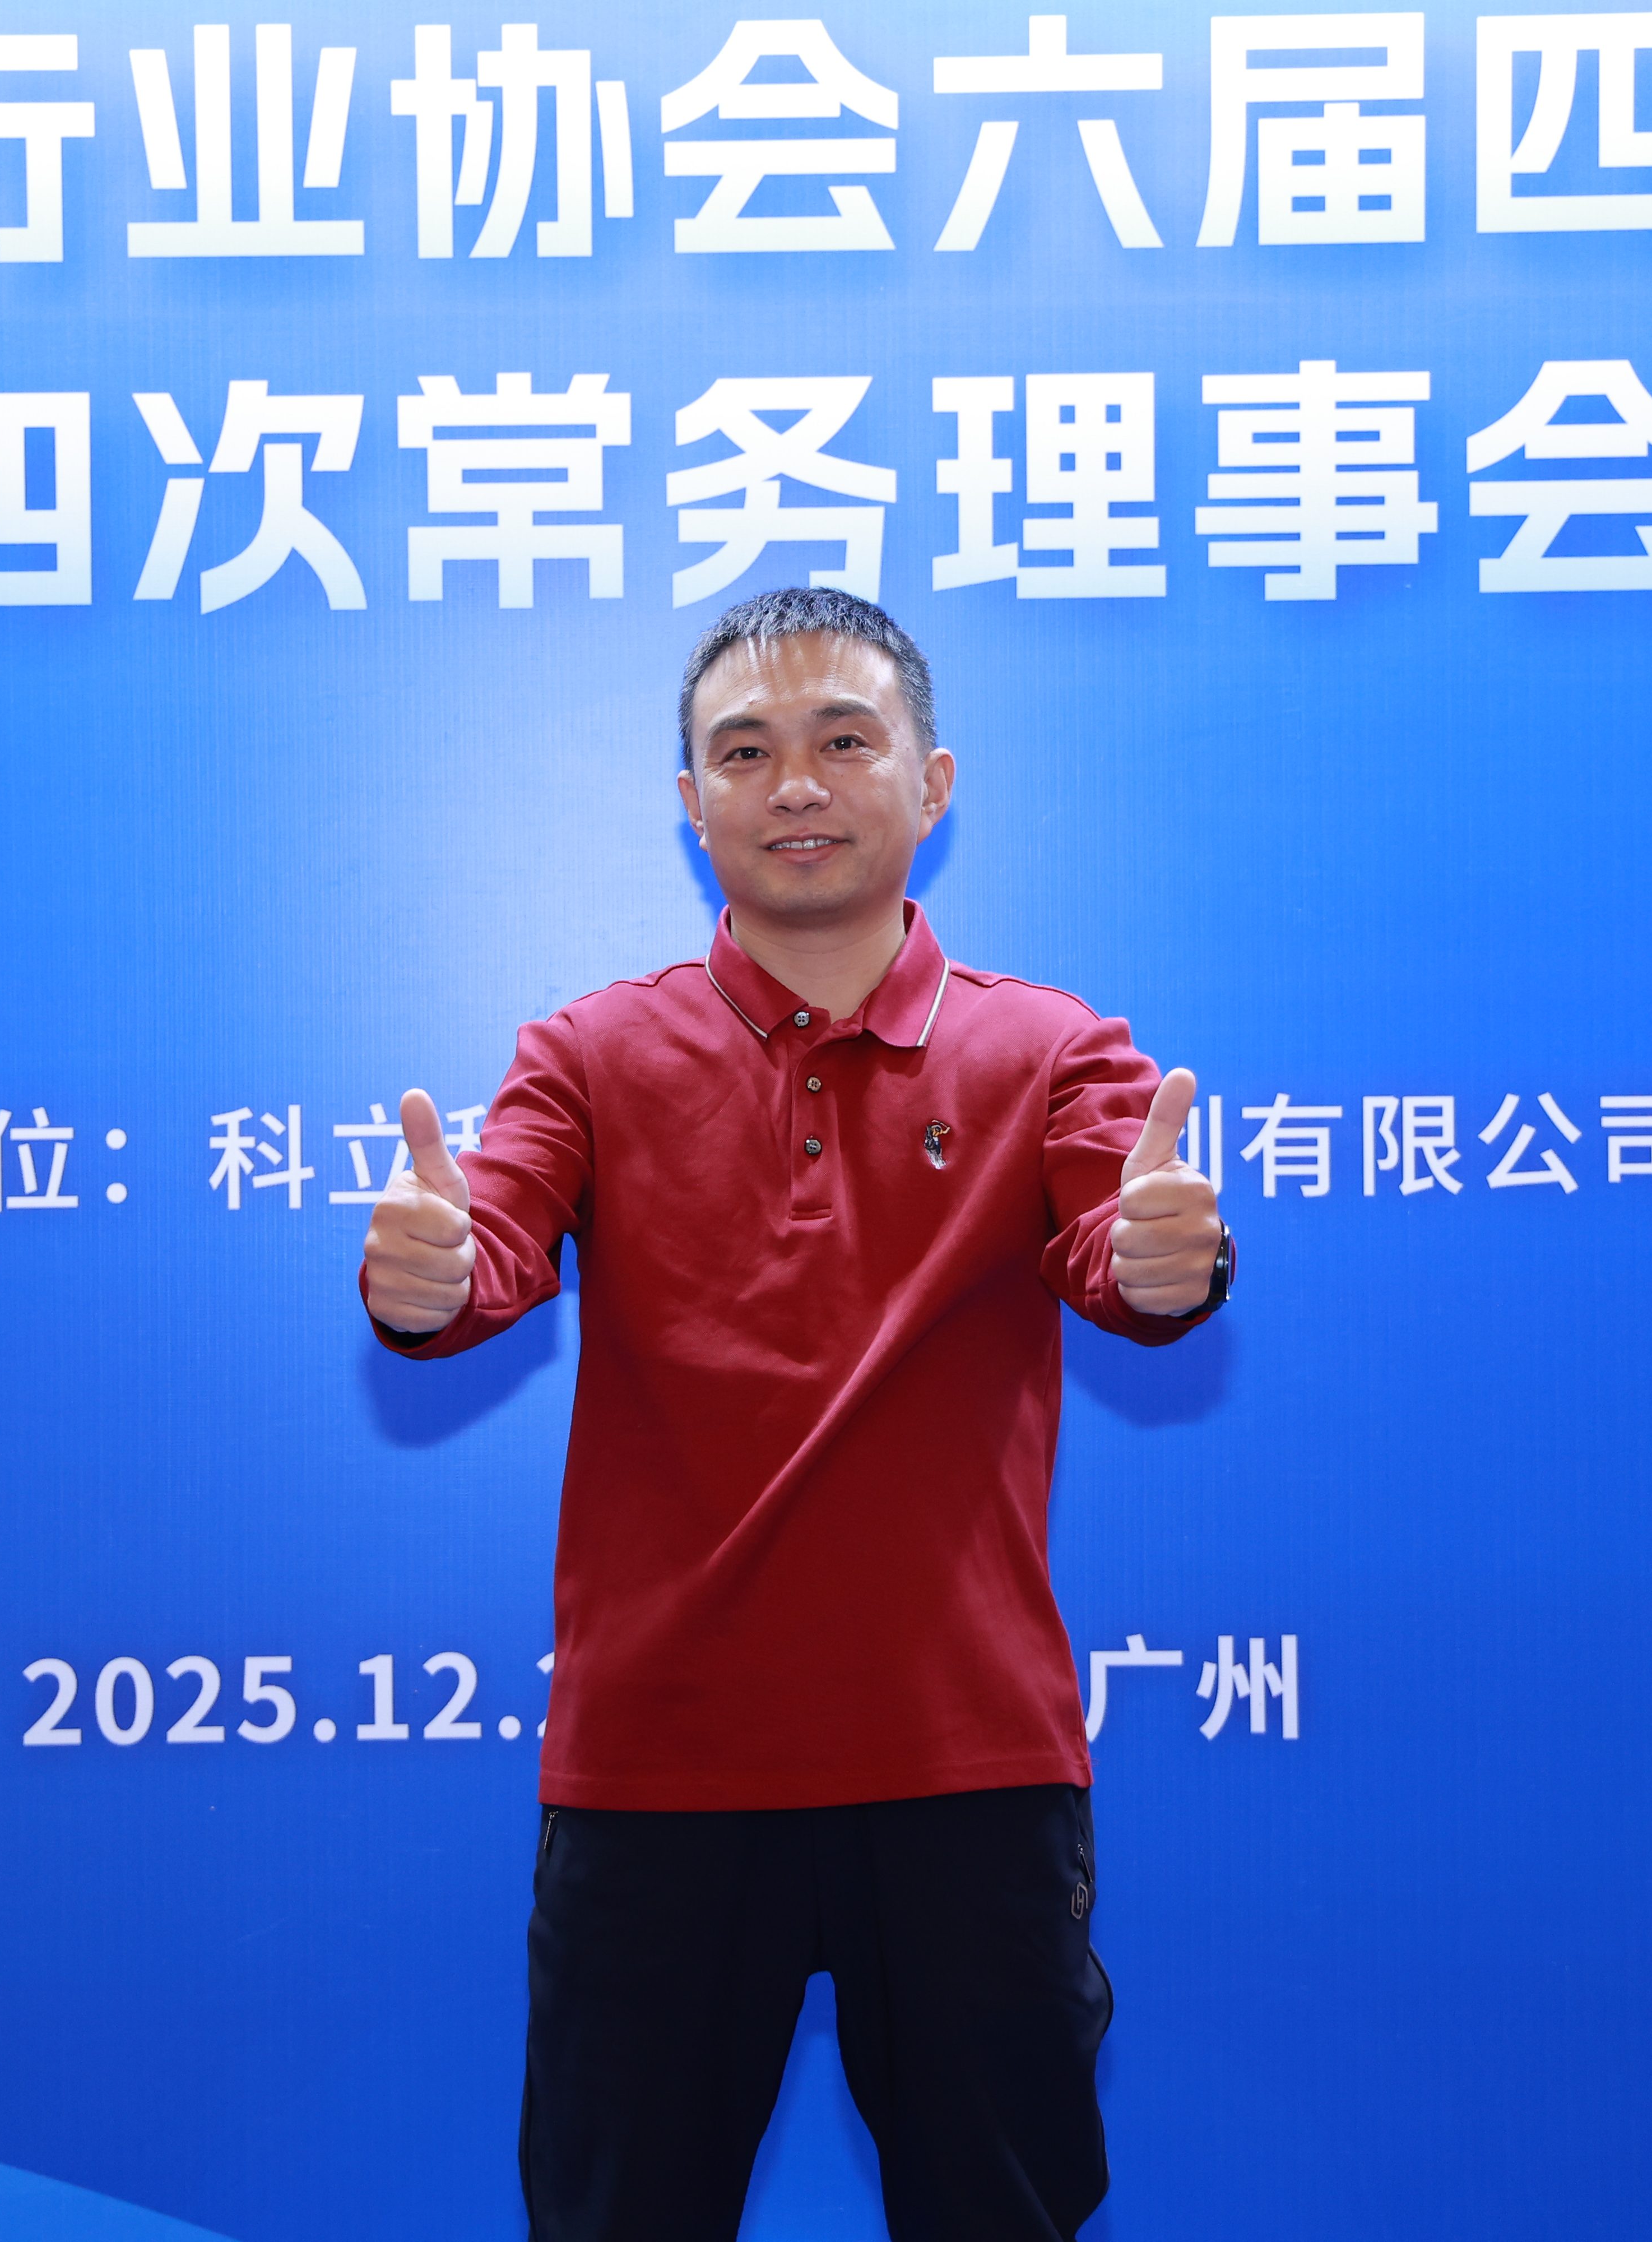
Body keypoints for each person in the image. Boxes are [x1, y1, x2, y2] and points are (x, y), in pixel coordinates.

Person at [355, 588, 1229, 2242]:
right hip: (658, 1774)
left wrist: (1169, 1257)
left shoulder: (1052, 1048)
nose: (798, 785)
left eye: (844, 740)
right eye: (746, 753)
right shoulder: (589, 1053)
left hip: (965, 1768)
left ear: (933, 780)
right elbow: (486, 1253)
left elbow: (1123, 1254)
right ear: (692, 802)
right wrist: (428, 1276)